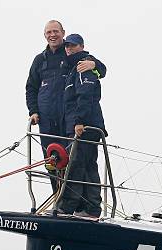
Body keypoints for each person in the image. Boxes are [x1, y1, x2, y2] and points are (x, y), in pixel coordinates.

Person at [25, 20, 106, 189]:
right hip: (46, 121)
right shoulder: (39, 60)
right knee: (52, 162)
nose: (52, 35)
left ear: (62, 33)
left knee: (73, 162)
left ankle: (74, 206)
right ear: (44, 35)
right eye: (49, 32)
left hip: (68, 120)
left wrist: (94, 64)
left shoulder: (71, 53)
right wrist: (33, 111)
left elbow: (101, 71)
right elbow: (31, 87)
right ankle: (58, 201)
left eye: (56, 31)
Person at [56, 34, 106, 218]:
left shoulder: (84, 65)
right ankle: (89, 208)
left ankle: (68, 207)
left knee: (77, 165)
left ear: (82, 46)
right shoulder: (72, 69)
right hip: (79, 125)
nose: (69, 49)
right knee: (86, 166)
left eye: (73, 46)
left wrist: (79, 121)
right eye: (67, 46)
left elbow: (85, 95)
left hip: (85, 126)